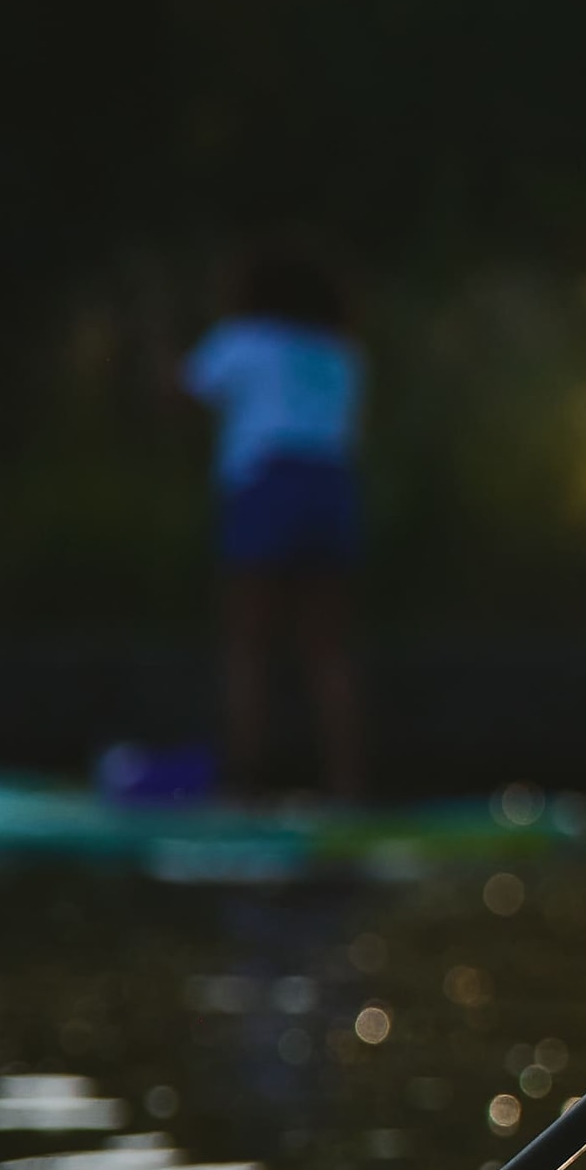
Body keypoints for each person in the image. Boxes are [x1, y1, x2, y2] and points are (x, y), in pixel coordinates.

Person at [182, 251, 367, 801]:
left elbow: (182, 392)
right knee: (328, 650)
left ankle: (244, 782)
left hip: (267, 484)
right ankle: (347, 790)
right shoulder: (339, 352)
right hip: (333, 489)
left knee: (247, 646)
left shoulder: (241, 339)